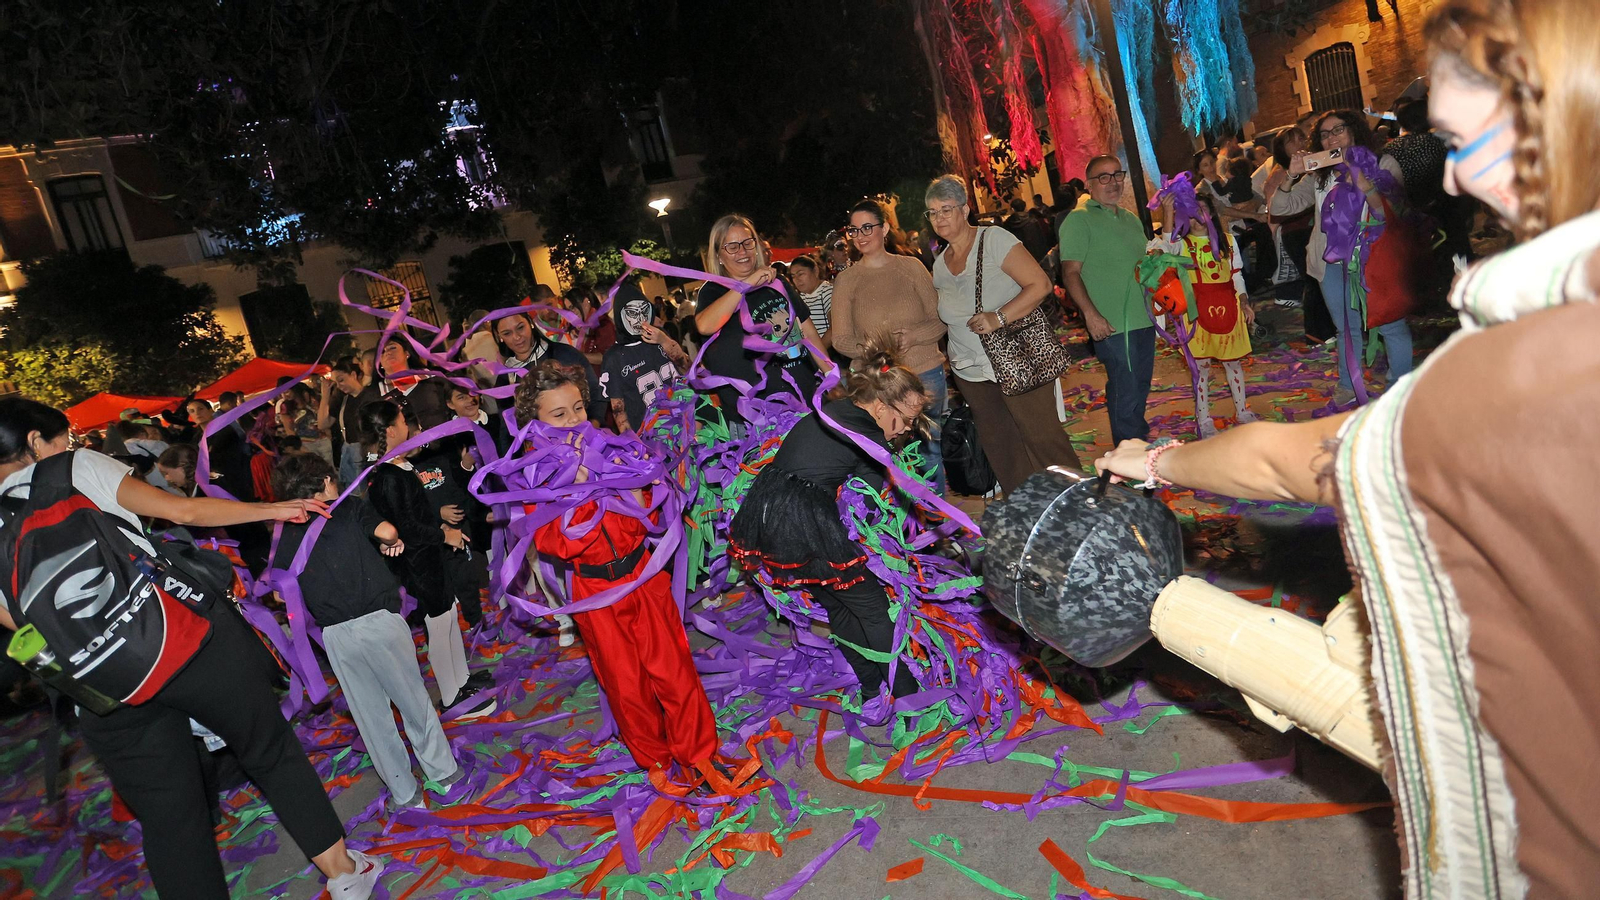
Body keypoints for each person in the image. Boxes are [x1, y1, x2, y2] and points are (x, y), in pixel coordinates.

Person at [1100, 0, 1600, 891]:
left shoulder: (1517, 373)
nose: (1446, 182)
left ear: (1552, 120)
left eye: (1459, 143)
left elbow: (1287, 461)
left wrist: (1161, 460)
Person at [0, 397, 381, 900]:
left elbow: (14, 618)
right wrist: (274, 509)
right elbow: (184, 509)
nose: (65, 447)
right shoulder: (73, 467)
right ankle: (344, 873)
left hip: (101, 684)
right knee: (269, 751)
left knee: (168, 819)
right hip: (182, 642)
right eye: (60, 439)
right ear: (34, 442)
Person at [514, 362, 720, 777]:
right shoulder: (535, 475)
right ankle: (657, 763)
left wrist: (626, 477)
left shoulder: (610, 446)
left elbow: (644, 510)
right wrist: (585, 490)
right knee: (627, 688)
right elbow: (558, 543)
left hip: (643, 578)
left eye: (577, 408)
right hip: (596, 595)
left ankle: (699, 755)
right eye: (559, 415)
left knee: (675, 671)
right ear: (534, 423)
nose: (574, 421)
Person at [729, 337, 927, 701]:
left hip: (767, 508)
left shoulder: (837, 410)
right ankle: (907, 695)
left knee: (840, 603)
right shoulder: (867, 434)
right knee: (871, 606)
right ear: (882, 407)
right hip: (801, 517)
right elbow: (874, 498)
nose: (906, 431)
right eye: (907, 421)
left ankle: (870, 684)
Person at [270, 452, 463, 812]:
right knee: (412, 701)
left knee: (370, 717)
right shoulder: (349, 509)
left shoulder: (288, 533)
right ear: (327, 482)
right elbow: (388, 531)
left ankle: (406, 795)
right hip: (379, 621)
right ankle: (445, 776)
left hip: (337, 634)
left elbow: (281, 590)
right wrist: (390, 541)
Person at [925, 175, 1081, 494]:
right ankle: (1028, 513)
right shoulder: (940, 264)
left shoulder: (993, 239)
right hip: (968, 372)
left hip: (1016, 358)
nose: (939, 218)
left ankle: (1078, 505)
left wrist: (999, 317)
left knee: (1043, 441)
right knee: (1002, 448)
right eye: (932, 212)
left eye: (946, 209)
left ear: (965, 209)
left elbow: (1040, 284)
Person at [358, 400, 494, 717]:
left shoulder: (402, 466)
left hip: (431, 557)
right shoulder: (388, 476)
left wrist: (442, 527)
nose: (408, 425)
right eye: (403, 420)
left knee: (448, 616)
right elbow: (405, 527)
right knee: (438, 622)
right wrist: (442, 534)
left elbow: (417, 515)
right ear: (391, 430)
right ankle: (450, 695)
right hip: (417, 563)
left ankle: (461, 680)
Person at [1269, 109, 1414, 405]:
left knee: (1390, 324)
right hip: (1332, 264)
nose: (1331, 137)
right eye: (1324, 134)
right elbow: (1280, 208)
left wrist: (1367, 186)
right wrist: (1291, 175)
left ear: (1355, 130)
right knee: (1345, 327)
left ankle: (1400, 387)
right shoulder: (1321, 174)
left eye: (1338, 130)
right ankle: (1349, 384)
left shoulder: (1382, 163)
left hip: (1375, 258)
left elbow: (1395, 212)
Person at [828, 199, 950, 492]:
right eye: (854, 230)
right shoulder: (847, 280)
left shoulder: (911, 267)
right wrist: (877, 350)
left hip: (923, 375)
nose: (861, 235)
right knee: (884, 460)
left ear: (884, 229)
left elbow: (941, 320)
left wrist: (913, 338)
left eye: (867, 227)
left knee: (929, 453)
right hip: (875, 382)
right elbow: (840, 339)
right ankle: (903, 531)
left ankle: (939, 526)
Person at [694, 214, 828, 426]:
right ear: (719, 254)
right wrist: (746, 284)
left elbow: (808, 331)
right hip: (756, 416)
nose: (743, 251)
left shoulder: (777, 283)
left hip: (804, 397)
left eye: (748, 243)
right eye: (732, 246)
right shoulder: (713, 291)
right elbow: (704, 325)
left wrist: (830, 374)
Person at [1060, 156, 1157, 447]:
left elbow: (1142, 268)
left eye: (1117, 174)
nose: (1112, 182)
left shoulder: (1130, 218)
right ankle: (1130, 457)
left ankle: (1135, 449)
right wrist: (1090, 315)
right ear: (1089, 185)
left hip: (1142, 318)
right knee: (1126, 391)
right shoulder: (1079, 219)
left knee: (1138, 388)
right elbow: (1070, 272)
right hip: (1111, 324)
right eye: (1103, 177)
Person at [1152, 182, 1260, 436]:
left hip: (1228, 309)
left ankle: (1242, 410)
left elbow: (1236, 276)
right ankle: (1203, 418)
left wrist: (1244, 301)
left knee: (1233, 363)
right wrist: (1167, 213)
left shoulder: (1229, 243)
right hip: (1196, 315)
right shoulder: (1182, 245)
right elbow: (1165, 249)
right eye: (1189, 212)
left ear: (1211, 213)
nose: (1196, 217)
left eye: (1201, 210)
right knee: (1200, 368)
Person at [600, 285, 689, 434]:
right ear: (620, 316)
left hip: (684, 424)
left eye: (644, 311)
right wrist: (634, 446)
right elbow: (619, 411)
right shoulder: (614, 358)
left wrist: (665, 341)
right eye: (633, 313)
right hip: (650, 439)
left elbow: (687, 369)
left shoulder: (660, 337)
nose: (640, 319)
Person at [491, 311, 604, 422]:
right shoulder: (504, 380)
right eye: (507, 333)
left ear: (530, 323)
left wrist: (592, 429)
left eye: (520, 327)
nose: (516, 337)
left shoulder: (565, 355)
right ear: (499, 336)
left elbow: (596, 394)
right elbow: (507, 426)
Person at [319, 357, 382, 488]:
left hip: (368, 451)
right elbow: (323, 424)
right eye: (336, 383)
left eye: (341, 380)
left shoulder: (372, 394)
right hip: (349, 452)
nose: (339, 385)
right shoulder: (342, 400)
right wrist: (325, 395)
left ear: (353, 375)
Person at [378, 339, 456, 431]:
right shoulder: (375, 395)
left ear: (407, 353)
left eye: (392, 347)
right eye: (382, 351)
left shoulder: (437, 380)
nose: (387, 353)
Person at [788, 255, 834, 349]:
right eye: (793, 276)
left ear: (815, 271)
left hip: (827, 352)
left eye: (800, 274)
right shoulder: (800, 297)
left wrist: (818, 352)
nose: (797, 280)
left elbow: (835, 327)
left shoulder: (827, 291)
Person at [1003, 197, 1054, 263]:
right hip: (1036, 255)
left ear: (1013, 209)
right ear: (1024, 207)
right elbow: (1041, 239)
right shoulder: (1032, 221)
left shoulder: (1008, 224)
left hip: (1019, 257)